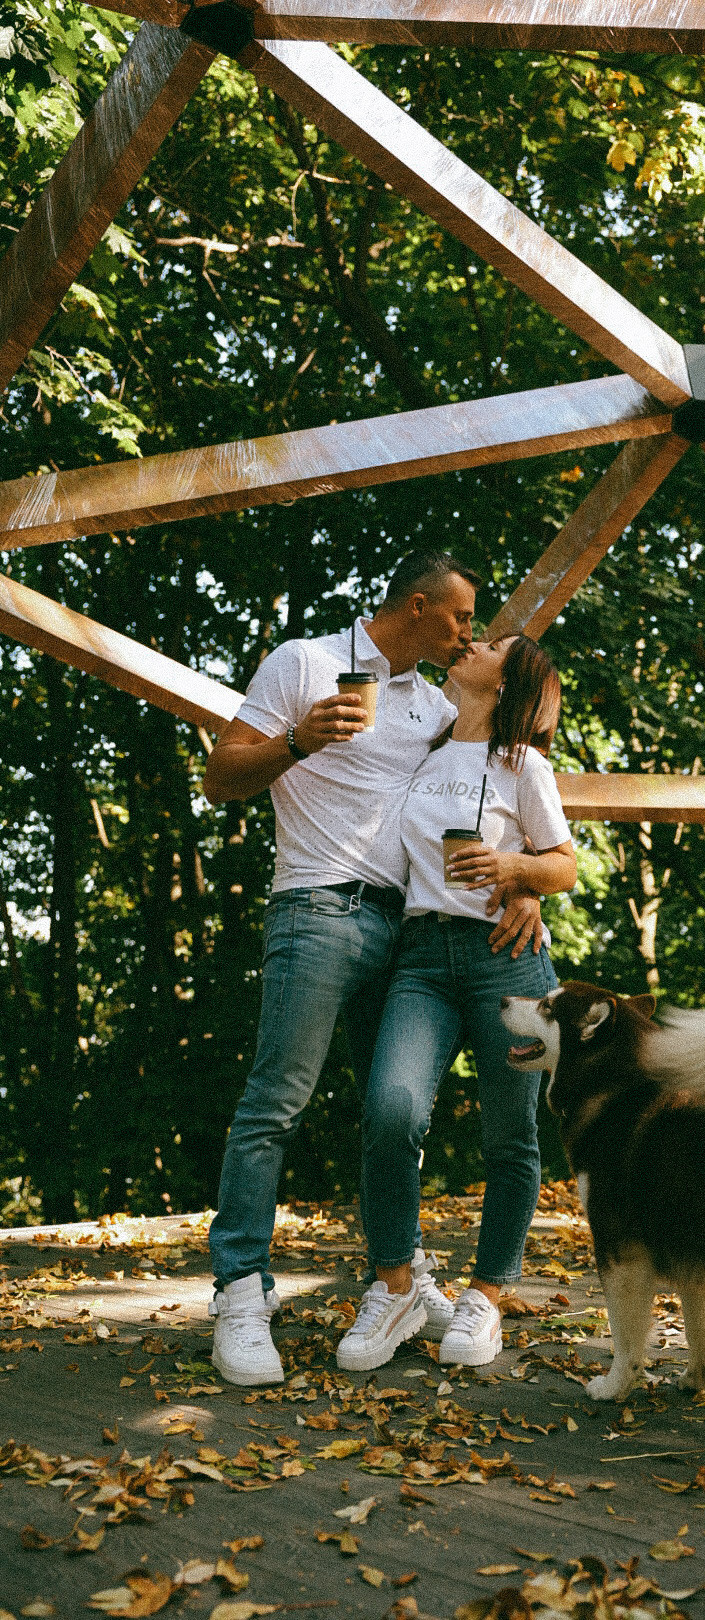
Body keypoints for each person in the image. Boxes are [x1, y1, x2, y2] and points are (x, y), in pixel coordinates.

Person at [202, 553, 544, 1386]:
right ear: (420, 607)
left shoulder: (436, 706)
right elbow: (220, 778)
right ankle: (240, 1293)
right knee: (275, 1103)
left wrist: (529, 879)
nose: (471, 633)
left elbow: (493, 787)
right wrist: (297, 739)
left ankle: (398, 1278)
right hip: (318, 910)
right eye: (462, 618)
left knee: (389, 1114)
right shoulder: (306, 663)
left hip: (413, 935)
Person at [335, 633, 577, 1373]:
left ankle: (486, 1297)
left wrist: (515, 870)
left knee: (512, 1135)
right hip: (419, 956)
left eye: (493, 645)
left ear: (506, 685)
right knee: (391, 1110)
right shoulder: (421, 752)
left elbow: (564, 862)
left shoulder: (521, 764)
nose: (472, 642)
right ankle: (397, 1287)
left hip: (502, 958)